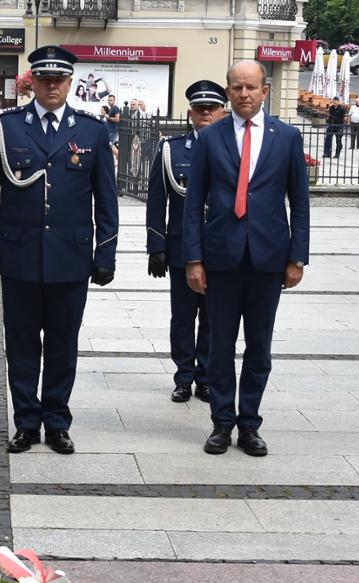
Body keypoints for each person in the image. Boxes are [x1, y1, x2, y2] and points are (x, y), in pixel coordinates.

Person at [0, 45, 119, 455]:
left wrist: (105, 253)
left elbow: (106, 201)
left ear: (70, 83)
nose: (52, 85)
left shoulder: (90, 130)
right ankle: (25, 422)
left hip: (70, 259)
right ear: (31, 82)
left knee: (62, 345)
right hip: (19, 257)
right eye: (44, 79)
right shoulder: (7, 127)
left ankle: (56, 421)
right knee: (20, 345)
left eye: (59, 79)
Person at [182, 60, 311, 457]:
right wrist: (193, 259)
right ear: (228, 91)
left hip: (268, 259)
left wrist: (297, 258)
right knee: (219, 346)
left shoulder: (286, 137)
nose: (243, 94)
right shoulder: (211, 138)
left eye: (251, 87)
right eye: (236, 87)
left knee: (259, 346)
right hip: (221, 258)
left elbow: (299, 202)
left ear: (264, 90)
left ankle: (250, 423)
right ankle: (222, 422)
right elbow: (193, 204)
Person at [146, 80, 228, 404]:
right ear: (191, 112)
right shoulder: (172, 150)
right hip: (181, 247)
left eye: (212, 108)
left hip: (221, 248)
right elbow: (157, 200)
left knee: (213, 317)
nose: (205, 113)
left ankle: (206, 377)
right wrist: (156, 247)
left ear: (223, 112)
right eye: (199, 108)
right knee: (182, 316)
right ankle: (183, 376)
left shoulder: (232, 148)